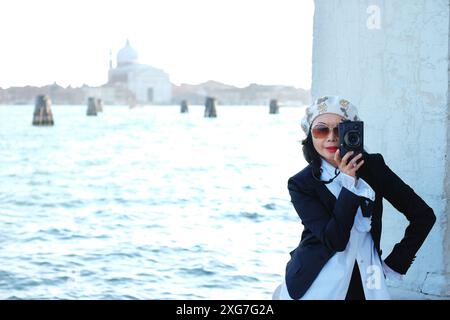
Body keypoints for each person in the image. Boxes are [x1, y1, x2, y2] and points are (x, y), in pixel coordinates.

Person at [276, 95, 436, 300]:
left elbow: (423, 215)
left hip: (367, 277)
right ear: (310, 136)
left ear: (353, 131)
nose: (331, 137)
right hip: (315, 279)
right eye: (321, 130)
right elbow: (335, 240)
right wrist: (349, 184)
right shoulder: (301, 183)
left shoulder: (374, 167)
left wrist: (396, 262)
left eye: (340, 129)